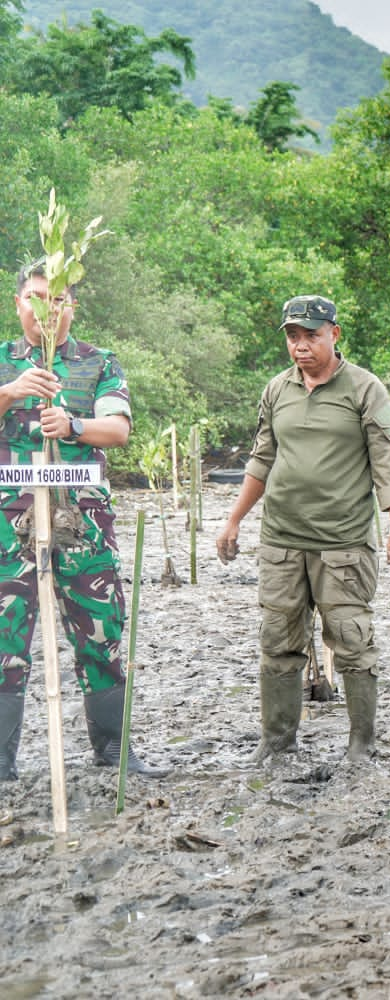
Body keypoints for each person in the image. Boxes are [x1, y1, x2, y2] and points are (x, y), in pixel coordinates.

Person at [216, 295, 390, 763]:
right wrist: (234, 519)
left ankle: (361, 743)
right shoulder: (277, 390)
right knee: (278, 641)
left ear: (334, 334)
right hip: (282, 539)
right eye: (293, 337)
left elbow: (387, 462)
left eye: (311, 336)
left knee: (352, 640)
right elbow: (262, 458)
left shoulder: (365, 389)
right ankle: (277, 740)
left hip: (343, 542)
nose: (301, 346)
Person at [0, 261, 164, 779]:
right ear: (18, 302)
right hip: (10, 521)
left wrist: (72, 424)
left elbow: (117, 430)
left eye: (59, 299)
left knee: (101, 631)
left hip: (83, 519)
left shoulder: (99, 363)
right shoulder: (3, 362)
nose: (47, 308)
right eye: (36, 296)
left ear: (73, 305)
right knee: (5, 638)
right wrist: (11, 392)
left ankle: (114, 753)